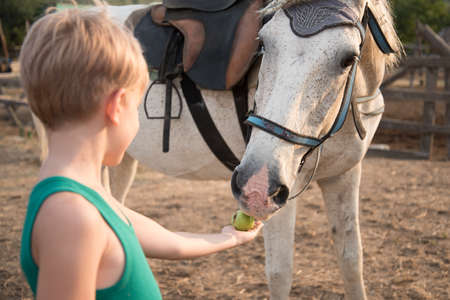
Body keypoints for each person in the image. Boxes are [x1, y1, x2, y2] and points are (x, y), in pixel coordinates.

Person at [19, 8, 263, 300]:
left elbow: (171, 244)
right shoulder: (72, 217)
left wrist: (229, 237)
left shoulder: (86, 197)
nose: (137, 121)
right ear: (117, 106)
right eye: (137, 109)